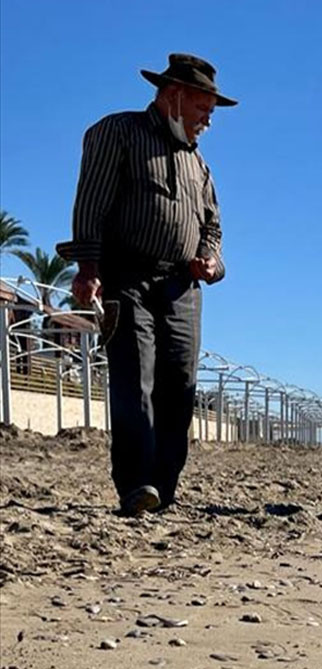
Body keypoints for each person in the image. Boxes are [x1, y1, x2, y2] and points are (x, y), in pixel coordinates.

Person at [56, 54, 236, 516]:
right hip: (126, 276)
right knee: (135, 379)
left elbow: (212, 228)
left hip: (182, 287)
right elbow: (90, 203)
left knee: (180, 386)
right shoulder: (117, 132)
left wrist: (212, 262)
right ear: (173, 96)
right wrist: (89, 268)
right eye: (202, 110)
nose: (207, 123)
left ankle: (164, 485)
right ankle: (136, 484)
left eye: (211, 114)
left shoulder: (201, 168)